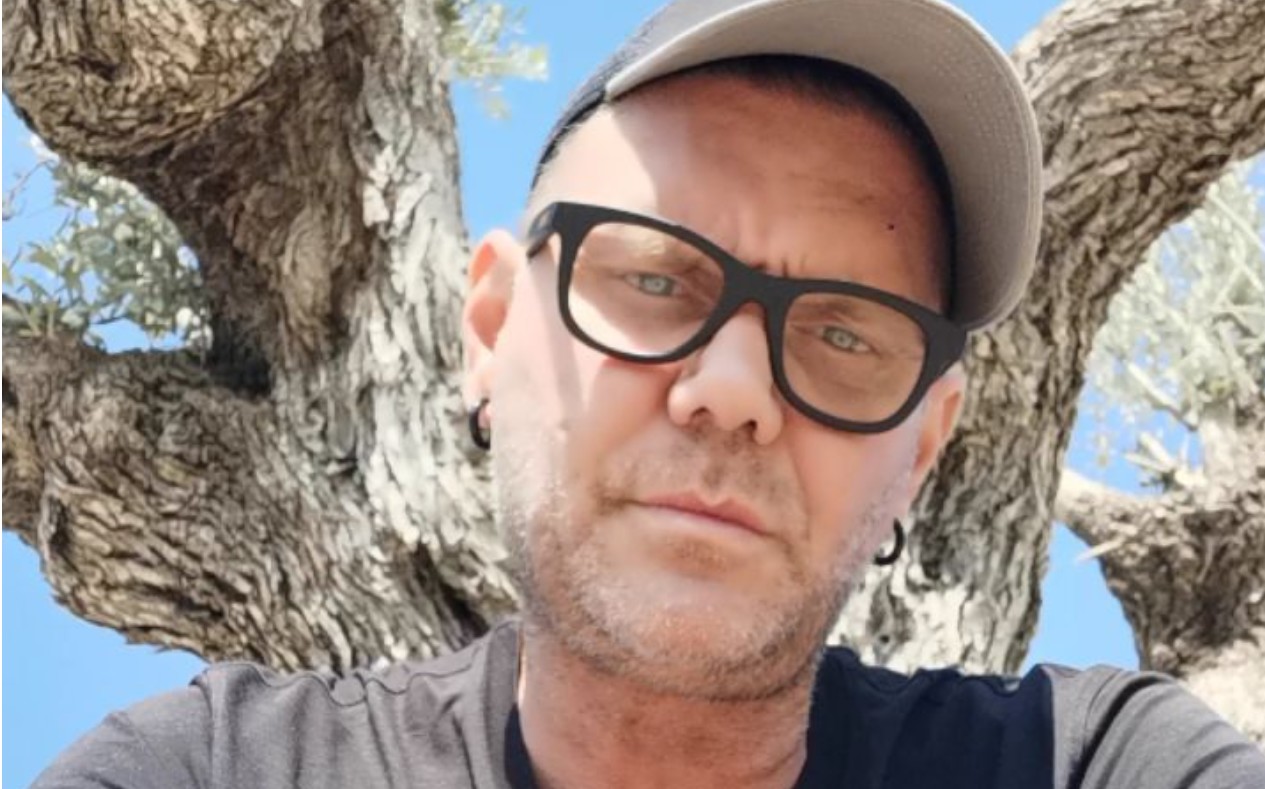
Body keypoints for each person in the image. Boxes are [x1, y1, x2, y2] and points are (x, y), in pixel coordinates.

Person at [32, 0, 1265, 787]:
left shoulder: (1089, 766)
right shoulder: (206, 773)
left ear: (920, 453)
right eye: (655, 279)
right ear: (490, 329)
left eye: (844, 332)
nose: (732, 391)